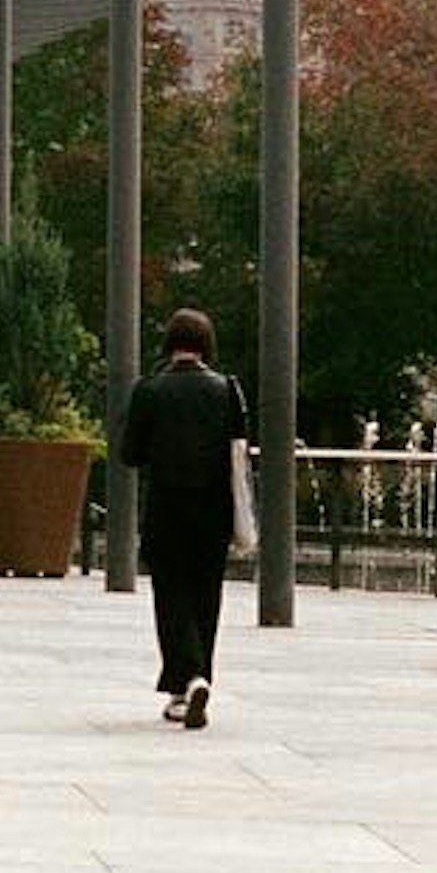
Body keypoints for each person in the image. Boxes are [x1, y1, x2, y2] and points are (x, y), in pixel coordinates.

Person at [114, 308, 248, 729]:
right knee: (206, 596)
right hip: (214, 512)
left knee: (171, 597)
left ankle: (184, 682)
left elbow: (129, 453)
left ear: (169, 344)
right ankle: (198, 676)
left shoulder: (149, 390)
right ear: (207, 345)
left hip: (166, 509)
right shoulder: (227, 390)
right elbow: (240, 451)